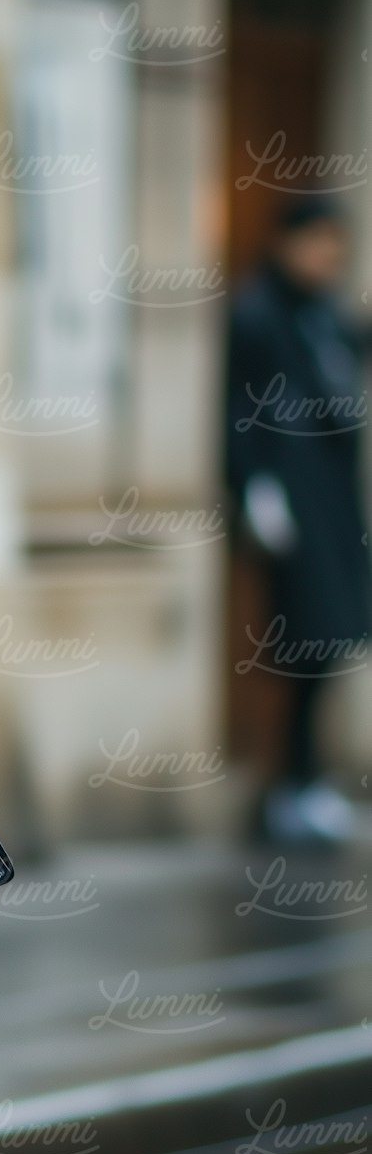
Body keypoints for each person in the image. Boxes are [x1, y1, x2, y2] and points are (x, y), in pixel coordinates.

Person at [225, 191, 372, 842]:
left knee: (330, 639)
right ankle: (290, 785)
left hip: (330, 503)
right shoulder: (258, 313)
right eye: (319, 243)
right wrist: (255, 486)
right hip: (292, 504)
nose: (329, 258)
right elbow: (234, 407)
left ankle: (307, 783)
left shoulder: (320, 314)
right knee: (302, 643)